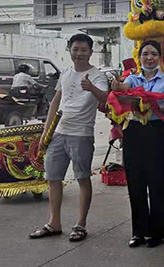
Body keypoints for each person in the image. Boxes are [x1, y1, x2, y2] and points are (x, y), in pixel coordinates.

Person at [30, 34, 109, 242]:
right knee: (53, 178)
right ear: (70, 50)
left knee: (82, 178)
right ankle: (54, 223)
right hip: (58, 133)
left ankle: (80, 224)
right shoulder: (65, 73)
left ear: (90, 52)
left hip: (81, 134)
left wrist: (91, 88)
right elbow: (55, 102)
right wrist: (46, 132)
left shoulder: (97, 76)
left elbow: (106, 98)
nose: (79, 53)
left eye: (83, 50)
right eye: (75, 49)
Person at [111, 40, 164, 248]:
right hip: (134, 132)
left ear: (159, 57)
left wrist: (155, 106)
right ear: (139, 58)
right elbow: (123, 90)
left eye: (153, 54)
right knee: (135, 182)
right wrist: (117, 87)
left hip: (156, 131)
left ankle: (157, 232)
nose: (149, 58)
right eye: (145, 54)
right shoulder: (132, 79)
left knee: (158, 181)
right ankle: (138, 232)